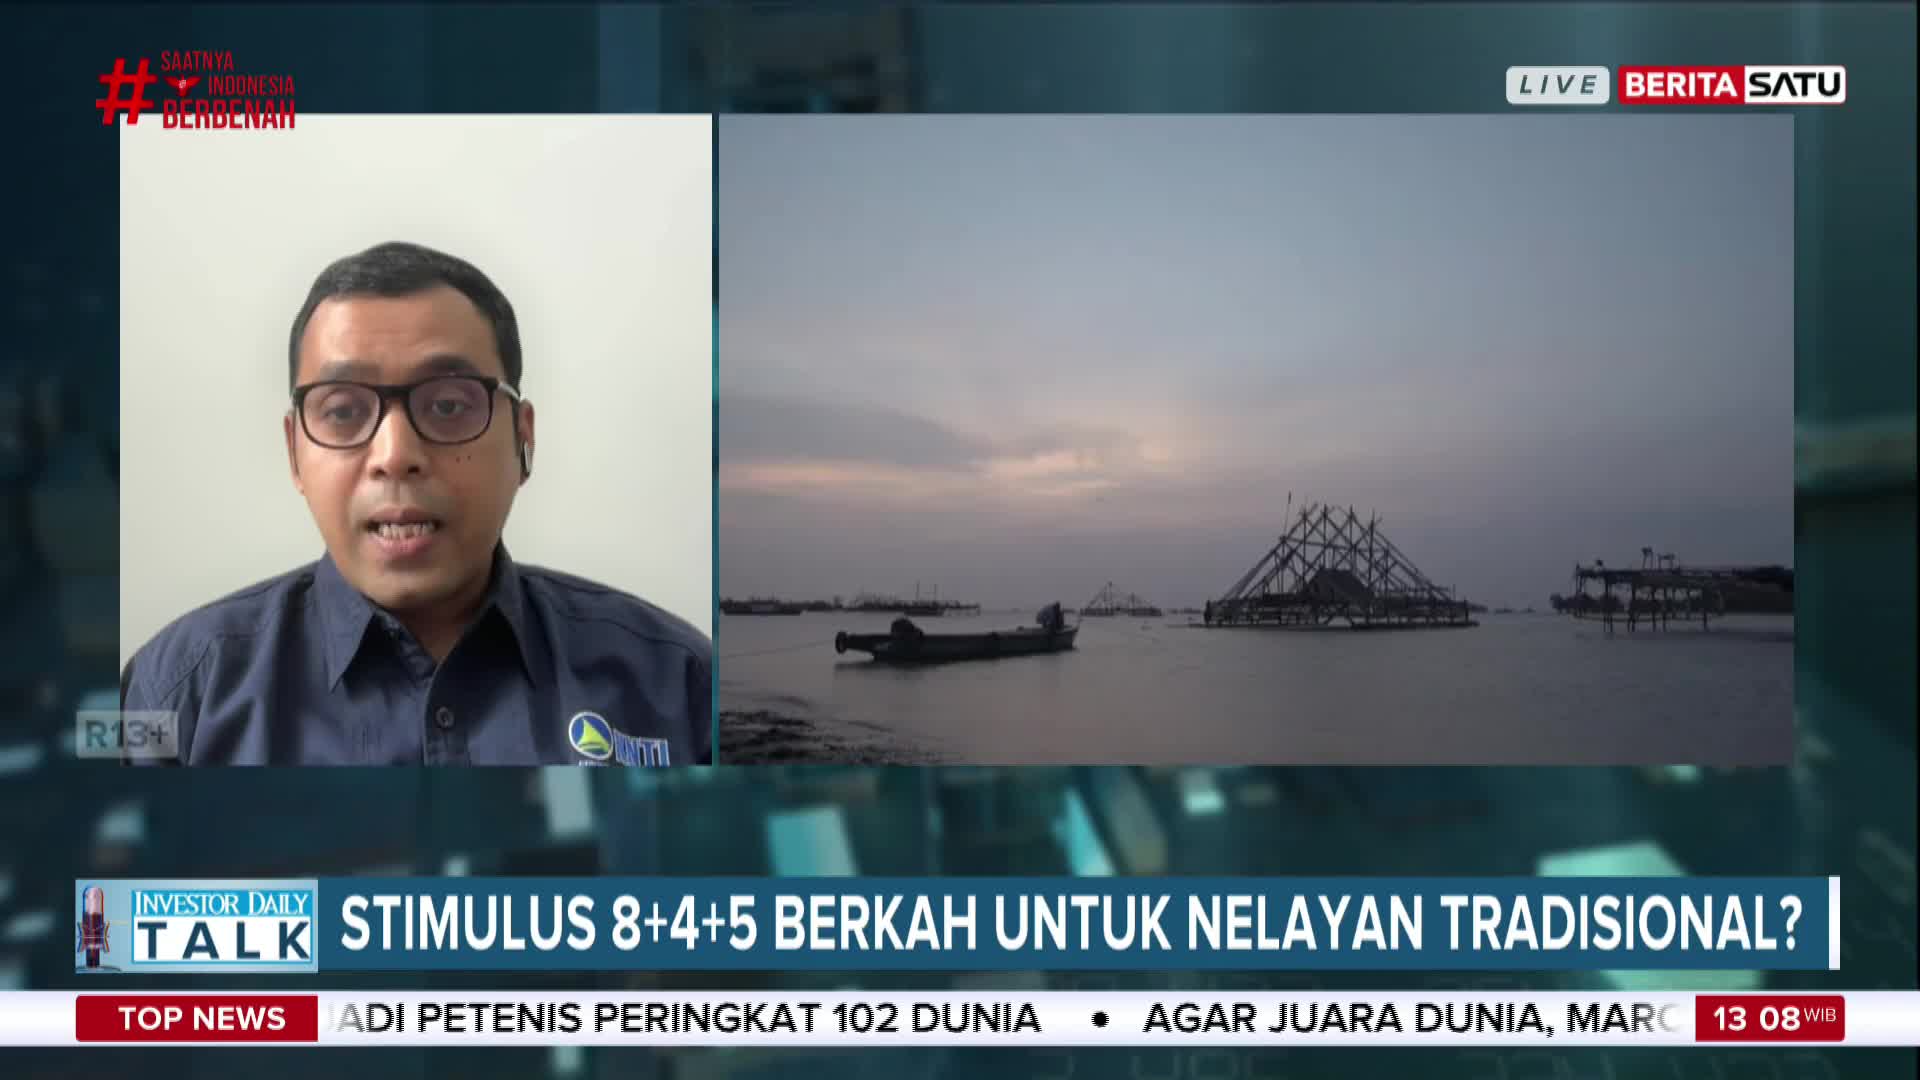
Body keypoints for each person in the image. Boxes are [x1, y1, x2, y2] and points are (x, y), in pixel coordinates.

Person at [120, 242, 711, 766]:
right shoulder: (169, 689)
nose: (395, 454)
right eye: (344, 411)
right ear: (295, 453)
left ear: (523, 438)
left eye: (449, 405)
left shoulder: (682, 683)